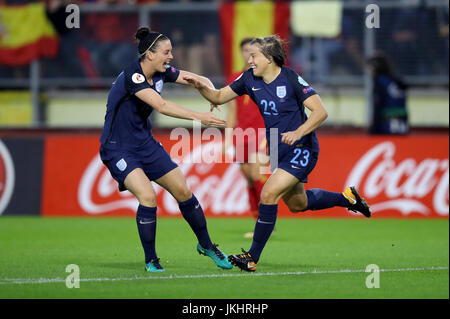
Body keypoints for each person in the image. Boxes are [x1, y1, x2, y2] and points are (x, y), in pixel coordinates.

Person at [184, 35, 371, 272]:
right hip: (276, 147)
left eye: (254, 56)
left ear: (269, 58)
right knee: (297, 204)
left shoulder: (290, 78)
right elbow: (219, 96)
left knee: (269, 193)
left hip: (301, 147)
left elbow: (320, 112)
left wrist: (298, 132)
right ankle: (348, 198)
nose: (249, 60)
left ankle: (251, 257)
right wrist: (200, 85)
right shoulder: (249, 79)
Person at [99, 27, 233, 272]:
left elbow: (196, 79)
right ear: (149, 54)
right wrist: (200, 117)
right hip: (118, 149)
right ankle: (151, 259)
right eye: (166, 52)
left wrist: (212, 95)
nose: (171, 56)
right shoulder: (134, 76)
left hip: (145, 144)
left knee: (183, 190)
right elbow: (161, 105)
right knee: (148, 197)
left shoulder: (162, 72)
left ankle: (207, 246)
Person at [225, 37, 269, 239]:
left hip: (263, 133)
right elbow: (232, 112)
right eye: (245, 51)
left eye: (253, 51)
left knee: (255, 173)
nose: (248, 55)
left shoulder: (266, 77)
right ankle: (259, 221)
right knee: (249, 179)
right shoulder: (236, 78)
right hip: (241, 135)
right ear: (241, 53)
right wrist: (227, 139)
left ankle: (267, 220)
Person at [367, 52, 409, 135]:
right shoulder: (396, 81)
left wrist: (374, 129)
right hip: (402, 124)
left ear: (375, 68)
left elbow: (378, 106)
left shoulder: (379, 82)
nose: (368, 71)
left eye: (369, 67)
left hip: (386, 125)